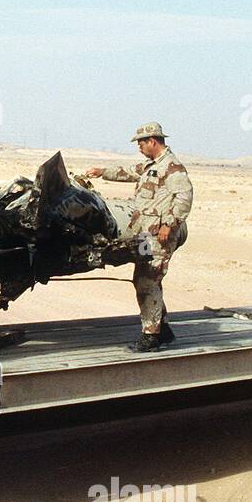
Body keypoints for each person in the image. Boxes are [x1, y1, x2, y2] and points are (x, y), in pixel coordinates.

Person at [84, 122, 193, 352]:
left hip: (159, 237)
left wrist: (169, 225)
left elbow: (184, 198)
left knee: (147, 281)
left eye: (141, 143)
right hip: (145, 236)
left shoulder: (172, 167)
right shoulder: (151, 166)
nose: (139, 147)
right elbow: (127, 172)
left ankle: (150, 337)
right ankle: (162, 329)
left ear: (153, 141)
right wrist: (101, 172)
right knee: (145, 279)